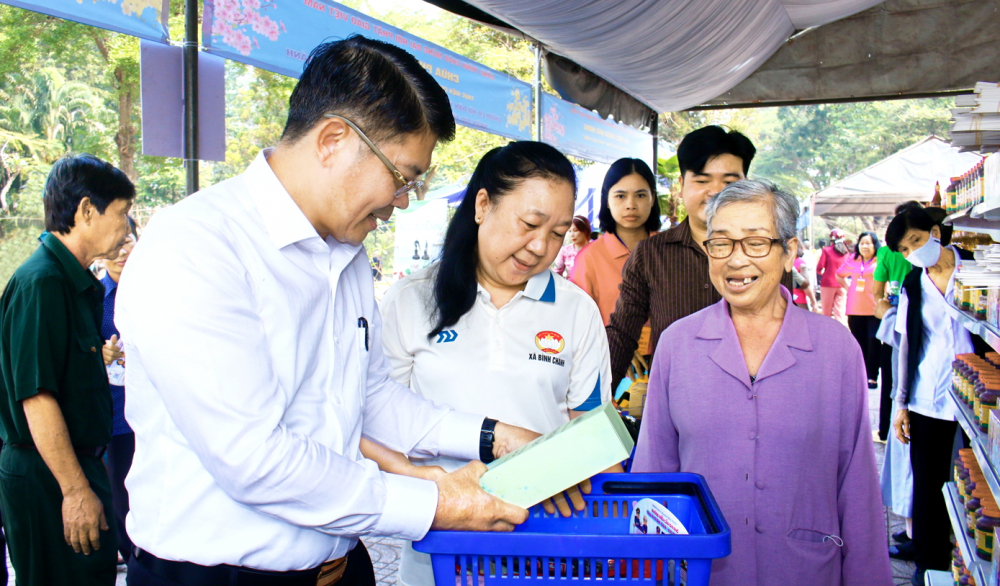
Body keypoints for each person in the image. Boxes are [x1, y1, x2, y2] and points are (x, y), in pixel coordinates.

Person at [115, 36, 542, 586]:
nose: (403, 200)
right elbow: (254, 459)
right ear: (334, 140)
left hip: (337, 566)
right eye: (403, 176)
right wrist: (432, 501)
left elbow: (370, 400)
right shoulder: (198, 246)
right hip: (218, 575)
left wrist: (498, 436)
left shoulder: (346, 256)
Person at [373, 142, 614, 586]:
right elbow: (378, 424)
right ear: (483, 205)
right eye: (530, 223)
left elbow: (594, 436)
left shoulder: (576, 310)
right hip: (440, 549)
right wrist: (423, 491)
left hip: (545, 549)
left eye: (559, 232)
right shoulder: (411, 300)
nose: (541, 246)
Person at [632, 179, 892, 586]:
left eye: (755, 243)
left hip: (805, 570)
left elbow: (857, 486)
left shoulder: (834, 349)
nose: (736, 260)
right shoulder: (678, 345)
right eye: (721, 243)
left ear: (789, 252)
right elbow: (654, 475)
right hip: (703, 573)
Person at [0, 154, 134, 586]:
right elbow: (36, 397)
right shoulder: (42, 282)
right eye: (121, 214)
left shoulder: (72, 280)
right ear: (86, 211)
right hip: (50, 476)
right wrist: (75, 491)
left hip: (76, 467)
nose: (126, 229)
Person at [605, 126, 776, 388]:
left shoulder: (770, 252)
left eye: (730, 182)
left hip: (757, 401)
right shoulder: (651, 255)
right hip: (677, 405)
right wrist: (590, 405)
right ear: (682, 185)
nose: (716, 191)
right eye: (702, 180)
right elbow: (621, 335)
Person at [888, 204, 976, 584]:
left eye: (916, 242)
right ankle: (931, 562)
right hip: (928, 396)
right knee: (927, 482)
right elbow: (907, 346)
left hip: (978, 394)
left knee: (975, 478)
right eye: (905, 250)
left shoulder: (977, 269)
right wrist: (902, 404)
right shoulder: (913, 284)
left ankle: (971, 556)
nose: (912, 254)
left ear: (935, 233)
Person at [571, 157, 660, 325]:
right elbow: (577, 322)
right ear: (607, 200)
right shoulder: (589, 258)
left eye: (640, 195)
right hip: (609, 351)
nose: (631, 205)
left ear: (653, 198)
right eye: (620, 196)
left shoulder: (670, 250)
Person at [98, 217, 138, 565]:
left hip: (156, 412)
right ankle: (132, 556)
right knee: (120, 497)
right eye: (117, 242)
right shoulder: (95, 297)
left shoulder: (155, 289)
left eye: (129, 240)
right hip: (116, 416)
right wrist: (101, 353)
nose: (123, 250)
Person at [873, 212, 914, 442]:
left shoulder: (887, 252)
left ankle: (886, 430)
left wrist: (883, 310)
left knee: (891, 377)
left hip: (894, 316)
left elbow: (877, 290)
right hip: (907, 319)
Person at [837, 231, 881, 388]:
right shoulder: (853, 259)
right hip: (855, 307)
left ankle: (872, 376)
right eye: (862, 243)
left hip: (875, 307)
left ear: (875, 245)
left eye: (868, 243)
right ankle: (860, 374)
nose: (865, 246)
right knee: (858, 342)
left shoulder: (880, 259)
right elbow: (839, 274)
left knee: (874, 341)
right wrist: (849, 288)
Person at [816, 228, 849, 324]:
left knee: (826, 312)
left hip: (828, 283)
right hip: (842, 284)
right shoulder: (846, 252)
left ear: (831, 240)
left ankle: (827, 334)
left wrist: (820, 274)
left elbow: (820, 266)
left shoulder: (826, 250)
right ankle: (840, 333)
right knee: (840, 313)